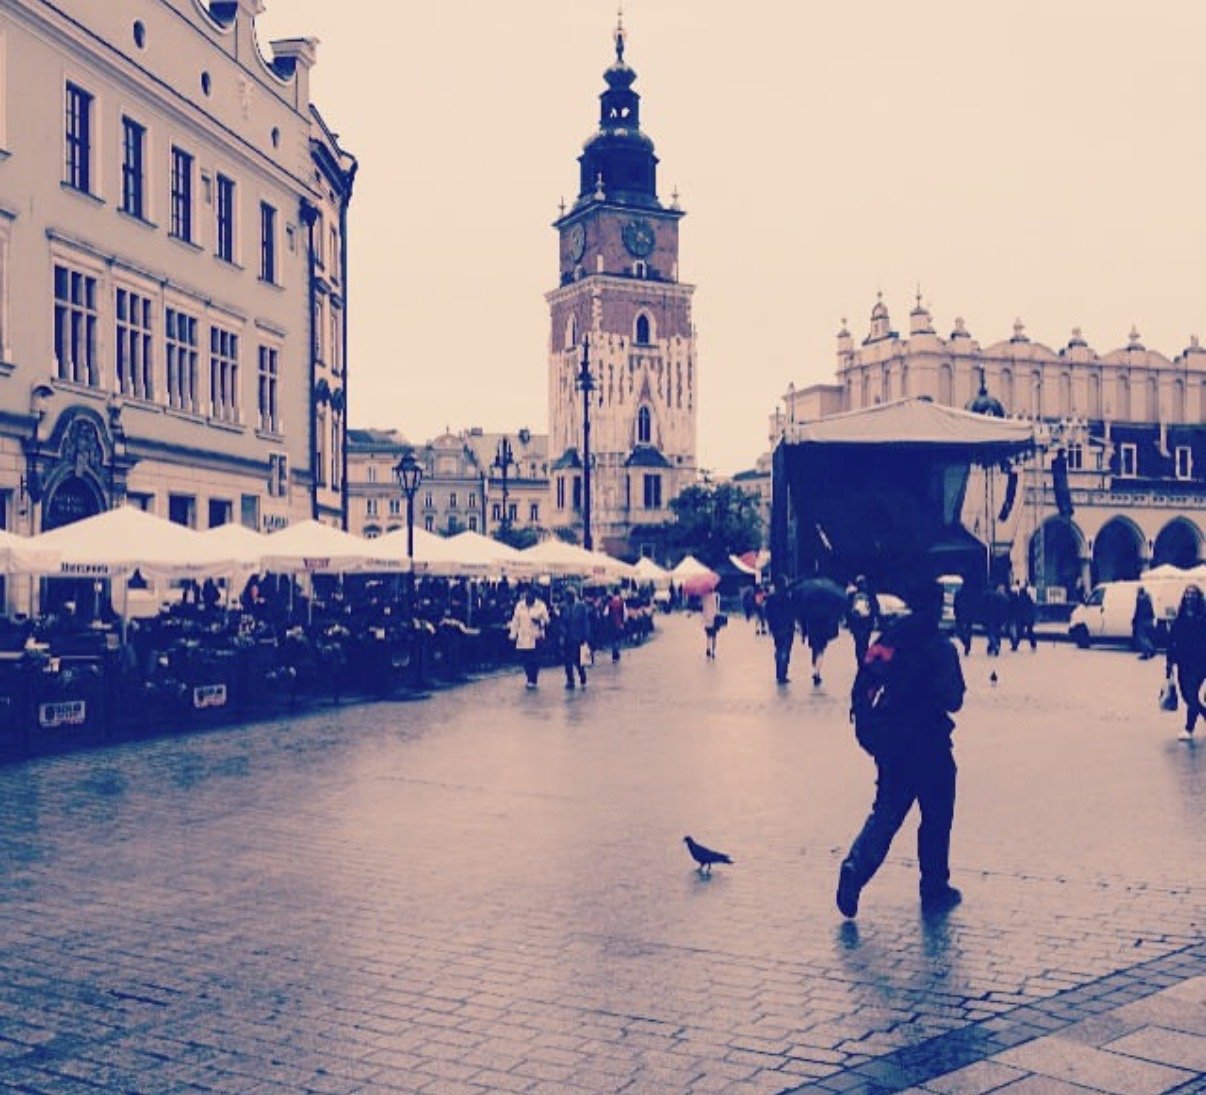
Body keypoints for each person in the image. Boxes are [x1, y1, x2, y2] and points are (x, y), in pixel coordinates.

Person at [837, 580, 966, 919]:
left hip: (893, 745)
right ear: (937, 606)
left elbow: (865, 683)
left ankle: (855, 867)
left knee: (886, 813)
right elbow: (954, 699)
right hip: (931, 745)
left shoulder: (890, 640)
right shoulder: (941, 647)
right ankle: (934, 885)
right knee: (936, 815)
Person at [1166, 584, 1206, 742]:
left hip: (1200, 661)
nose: (1190, 596)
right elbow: (1172, 639)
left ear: (1198, 596)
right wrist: (1169, 662)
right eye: (1187, 593)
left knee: (1191, 693)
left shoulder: (1203, 615)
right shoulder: (1181, 615)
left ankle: (1189, 728)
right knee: (1185, 694)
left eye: (1193, 593)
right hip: (1183, 661)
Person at [508, 587, 550, 689]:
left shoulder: (541, 606)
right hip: (523, 636)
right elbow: (515, 620)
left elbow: (547, 621)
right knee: (526, 659)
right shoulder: (519, 606)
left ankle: (533, 679)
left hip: (536, 637)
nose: (528, 596)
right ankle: (529, 678)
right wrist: (513, 634)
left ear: (535, 595)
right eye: (527, 594)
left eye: (530, 594)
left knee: (535, 659)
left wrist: (539, 622)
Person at [764, 578, 797, 684]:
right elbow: (793, 613)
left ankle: (779, 672)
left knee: (778, 649)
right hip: (787, 627)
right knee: (785, 650)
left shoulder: (770, 598)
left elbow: (767, 613)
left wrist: (770, 626)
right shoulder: (788, 597)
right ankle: (783, 674)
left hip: (776, 628)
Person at [560, 588, 592, 690]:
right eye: (566, 597)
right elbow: (562, 622)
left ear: (573, 596)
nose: (567, 599)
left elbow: (585, 622)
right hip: (567, 638)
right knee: (567, 661)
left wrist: (585, 637)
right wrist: (562, 633)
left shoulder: (581, 606)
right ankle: (570, 680)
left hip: (578, 637)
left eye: (569, 596)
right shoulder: (564, 607)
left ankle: (582, 677)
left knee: (578, 660)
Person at [847, 575, 879, 668]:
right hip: (866, 622)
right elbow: (876, 608)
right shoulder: (870, 594)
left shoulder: (852, 595)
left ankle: (860, 662)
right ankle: (864, 662)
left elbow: (847, 609)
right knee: (864, 643)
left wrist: (849, 622)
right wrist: (874, 619)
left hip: (856, 622)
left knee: (858, 643)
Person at [1008, 584, 1038, 652]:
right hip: (1030, 619)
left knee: (1019, 632)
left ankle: (1015, 646)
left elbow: (1017, 609)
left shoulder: (1019, 599)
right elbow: (1033, 609)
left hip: (1022, 619)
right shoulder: (1030, 599)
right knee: (1030, 632)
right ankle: (1033, 645)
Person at [984, 584, 1009, 657]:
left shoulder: (991, 596)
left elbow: (986, 606)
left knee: (990, 633)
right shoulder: (1006, 598)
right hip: (1000, 619)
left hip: (991, 617)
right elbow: (1007, 610)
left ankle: (994, 646)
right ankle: (995, 646)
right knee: (997, 633)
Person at [1132, 586, 1157, 660]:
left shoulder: (1140, 599)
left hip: (1141, 620)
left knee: (1142, 637)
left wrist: (1134, 619)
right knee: (1146, 637)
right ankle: (1150, 650)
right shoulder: (1148, 598)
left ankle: (1148, 652)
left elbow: (1138, 610)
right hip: (1149, 619)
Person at [952, 582, 975, 656]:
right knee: (966, 631)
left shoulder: (959, 593)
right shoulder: (970, 594)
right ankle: (967, 643)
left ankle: (966, 643)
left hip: (962, 615)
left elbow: (955, 604)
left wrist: (955, 612)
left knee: (960, 631)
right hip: (966, 615)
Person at [701, 587, 722, 659]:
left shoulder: (704, 596)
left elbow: (703, 608)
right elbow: (718, 608)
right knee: (714, 636)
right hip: (714, 619)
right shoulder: (716, 596)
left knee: (708, 635)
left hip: (706, 619)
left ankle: (708, 649)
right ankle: (713, 651)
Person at [606, 590, 626, 662]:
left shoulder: (609, 603)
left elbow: (606, 613)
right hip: (619, 623)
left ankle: (614, 654)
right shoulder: (622, 603)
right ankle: (617, 653)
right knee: (618, 639)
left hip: (611, 623)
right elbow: (625, 613)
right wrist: (623, 622)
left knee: (613, 639)